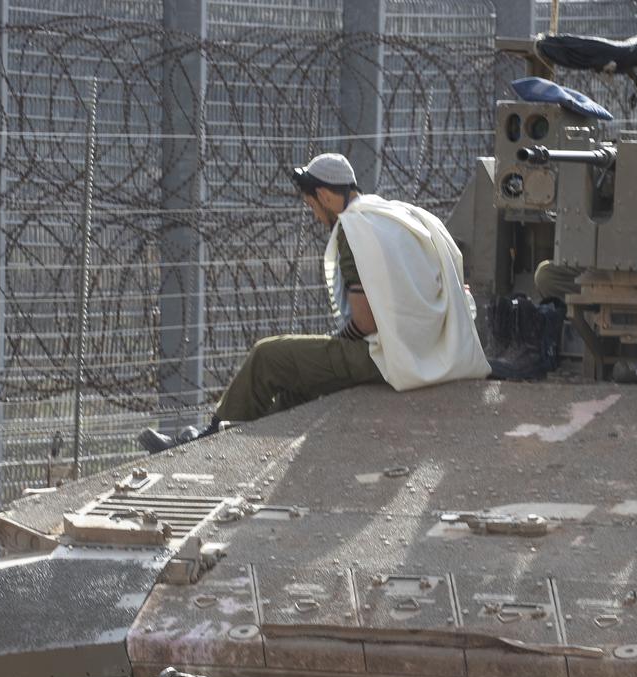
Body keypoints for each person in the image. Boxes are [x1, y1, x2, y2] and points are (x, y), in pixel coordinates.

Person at [139, 153, 488, 453]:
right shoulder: (394, 216)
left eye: (312, 206)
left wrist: (339, 339)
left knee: (269, 355)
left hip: (388, 358)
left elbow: (366, 323)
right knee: (299, 378)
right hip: (428, 351)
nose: (316, 216)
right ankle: (236, 437)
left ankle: (206, 437)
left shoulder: (356, 229)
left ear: (324, 195)